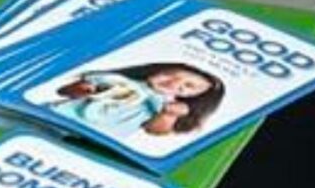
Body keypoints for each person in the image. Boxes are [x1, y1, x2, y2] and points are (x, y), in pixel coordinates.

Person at [46, 61, 224, 142]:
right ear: (156, 69)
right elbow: (64, 91)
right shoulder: (116, 79)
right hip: (61, 117)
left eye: (189, 86)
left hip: (99, 138)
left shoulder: (163, 105)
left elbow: (153, 130)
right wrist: (82, 90)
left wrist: (168, 116)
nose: (174, 83)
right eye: (169, 74)